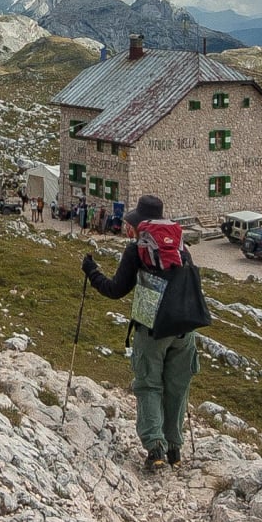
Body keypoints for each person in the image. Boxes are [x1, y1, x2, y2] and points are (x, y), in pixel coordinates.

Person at [81, 194, 199, 471]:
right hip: (185, 330)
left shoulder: (138, 249)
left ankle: (154, 448)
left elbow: (115, 289)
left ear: (141, 223)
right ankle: (175, 450)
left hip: (152, 329)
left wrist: (91, 271)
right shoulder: (182, 247)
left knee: (149, 385)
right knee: (177, 388)